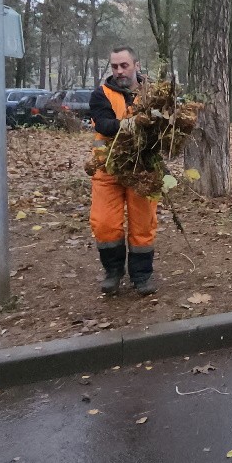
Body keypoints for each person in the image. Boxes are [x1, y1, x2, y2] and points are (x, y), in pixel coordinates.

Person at [88, 46, 159, 296]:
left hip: (142, 170)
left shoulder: (154, 94)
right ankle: (113, 272)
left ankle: (142, 277)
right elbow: (105, 125)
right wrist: (133, 123)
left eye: (124, 65)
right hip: (108, 169)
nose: (119, 71)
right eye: (115, 66)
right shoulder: (101, 94)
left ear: (136, 65)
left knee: (143, 224)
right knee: (105, 223)